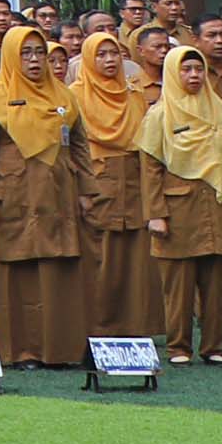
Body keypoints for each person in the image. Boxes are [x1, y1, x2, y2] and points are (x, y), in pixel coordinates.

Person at [0, 25, 89, 369]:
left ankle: (61, 350)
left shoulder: (64, 97)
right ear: (11, 56)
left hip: (59, 195)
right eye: (25, 53)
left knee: (60, 271)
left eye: (39, 52)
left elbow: (80, 147)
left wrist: (87, 191)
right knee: (20, 274)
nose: (34, 60)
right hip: (15, 195)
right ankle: (22, 351)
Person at [138, 42, 222, 364]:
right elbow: (150, 170)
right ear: (173, 72)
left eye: (198, 69)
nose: (194, 75)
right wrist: (155, 214)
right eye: (186, 69)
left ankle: (214, 347)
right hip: (179, 210)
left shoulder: (219, 110)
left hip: (217, 206)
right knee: (179, 287)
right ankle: (178, 347)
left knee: (216, 286)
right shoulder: (160, 114)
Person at [72, 30, 156, 342]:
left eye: (115, 54)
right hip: (96, 179)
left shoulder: (134, 95)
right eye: (101, 55)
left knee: (133, 253)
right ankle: (96, 327)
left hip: (133, 179)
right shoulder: (75, 94)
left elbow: (145, 139)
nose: (110, 61)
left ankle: (133, 327)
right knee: (100, 255)